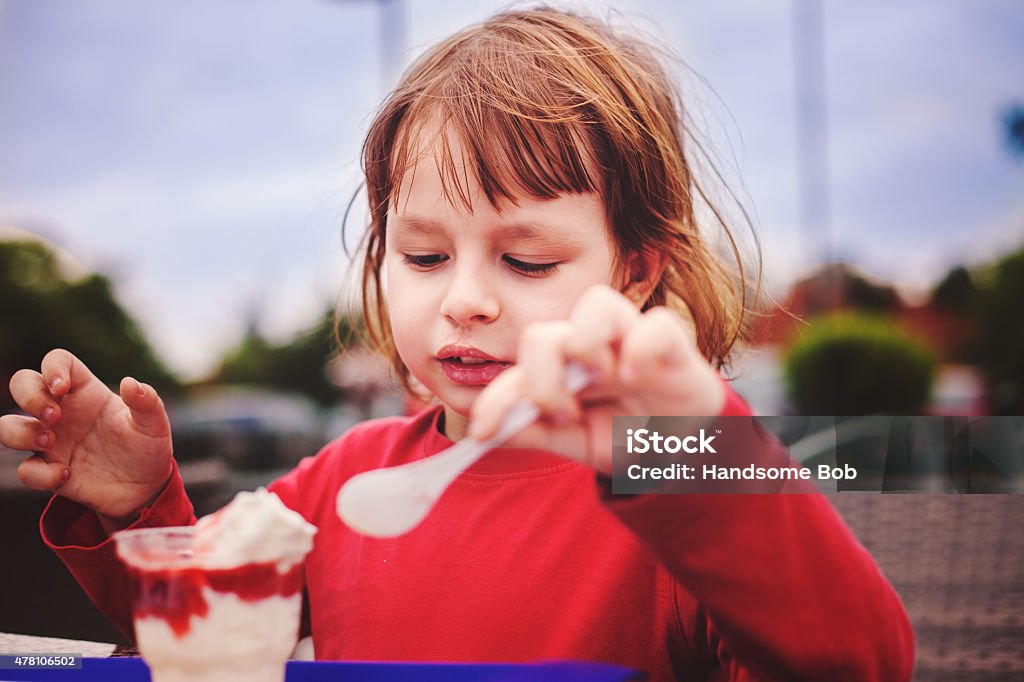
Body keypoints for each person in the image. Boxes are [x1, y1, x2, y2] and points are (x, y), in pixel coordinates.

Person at [0, 8, 914, 680]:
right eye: (425, 254)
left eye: (525, 260)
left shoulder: (677, 475)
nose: (466, 299)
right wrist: (138, 511)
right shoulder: (344, 481)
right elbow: (197, 638)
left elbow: (860, 663)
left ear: (635, 272)